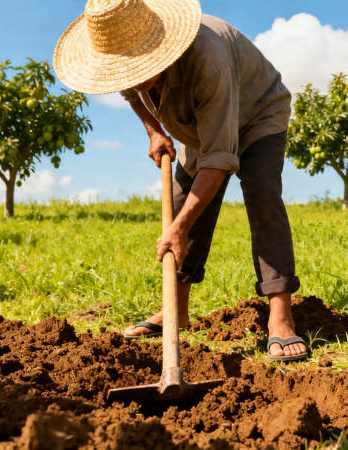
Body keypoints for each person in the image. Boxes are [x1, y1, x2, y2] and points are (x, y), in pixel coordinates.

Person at [54, 0, 307, 361]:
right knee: (180, 200)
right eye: (126, 72)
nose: (135, 79)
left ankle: (281, 317)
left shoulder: (210, 61)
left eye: (139, 69)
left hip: (257, 113)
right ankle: (176, 311)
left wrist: (180, 227)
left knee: (262, 193)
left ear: (159, 49)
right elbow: (131, 92)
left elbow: (219, 160)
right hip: (197, 126)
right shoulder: (130, 66)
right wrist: (154, 131)